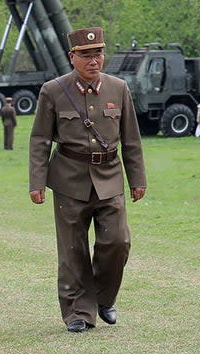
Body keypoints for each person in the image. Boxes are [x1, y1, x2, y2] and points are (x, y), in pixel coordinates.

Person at [29, 26, 147, 333]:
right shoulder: (53, 91)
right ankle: (78, 313)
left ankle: (103, 298)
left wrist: (138, 179)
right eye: (86, 55)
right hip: (68, 178)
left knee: (118, 241)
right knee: (72, 249)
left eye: (98, 54)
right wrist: (37, 182)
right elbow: (40, 138)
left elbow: (131, 138)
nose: (94, 61)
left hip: (110, 177)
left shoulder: (118, 88)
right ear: (72, 58)